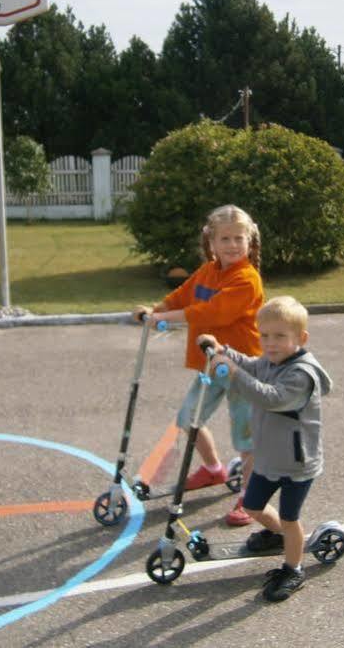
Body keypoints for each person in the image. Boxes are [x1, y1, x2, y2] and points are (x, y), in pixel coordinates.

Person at [133, 204, 264, 526]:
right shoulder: (208, 271)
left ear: (249, 241)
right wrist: (156, 309)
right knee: (188, 418)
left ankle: (251, 497)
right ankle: (212, 469)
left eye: (238, 239)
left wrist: (164, 319)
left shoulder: (247, 279)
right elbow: (183, 296)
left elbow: (209, 313)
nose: (232, 245)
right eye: (225, 239)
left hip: (241, 367)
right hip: (210, 366)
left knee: (246, 437)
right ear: (212, 241)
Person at [198, 295, 332, 602]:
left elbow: (270, 398)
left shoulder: (301, 375)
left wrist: (232, 372)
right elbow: (249, 364)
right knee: (253, 506)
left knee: (290, 517)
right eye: (265, 336)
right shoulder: (270, 361)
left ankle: (294, 568)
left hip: (297, 464)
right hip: (269, 457)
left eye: (280, 336)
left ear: (301, 338)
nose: (270, 343)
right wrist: (223, 351)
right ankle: (277, 537)